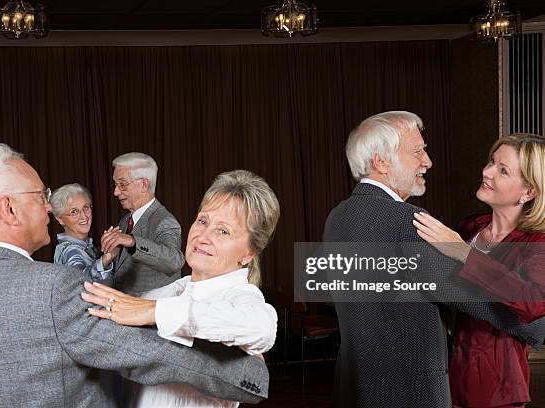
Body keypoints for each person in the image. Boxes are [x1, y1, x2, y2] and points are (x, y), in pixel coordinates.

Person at [0, 143, 268, 407]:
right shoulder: (53, 287)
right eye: (41, 196)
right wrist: (250, 374)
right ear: (8, 208)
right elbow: (145, 355)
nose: (50, 207)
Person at [323, 112, 545, 408]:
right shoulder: (409, 222)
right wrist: (535, 330)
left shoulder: (336, 217)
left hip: (356, 385)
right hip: (409, 389)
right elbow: (471, 297)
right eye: (417, 151)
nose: (427, 161)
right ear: (382, 162)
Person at [82, 169, 279, 407]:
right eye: (202, 221)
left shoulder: (241, 297)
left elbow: (262, 327)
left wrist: (152, 312)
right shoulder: (169, 292)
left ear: (248, 253)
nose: (203, 237)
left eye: (223, 231)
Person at [413, 133, 545, 408]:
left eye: (503, 170)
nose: (487, 172)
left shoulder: (537, 242)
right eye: (491, 162)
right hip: (443, 375)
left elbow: (531, 301)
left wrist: (463, 252)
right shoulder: (470, 226)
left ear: (529, 192)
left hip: (494, 390)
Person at [101, 152, 184, 295]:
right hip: (125, 310)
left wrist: (133, 241)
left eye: (122, 184)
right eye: (115, 184)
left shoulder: (165, 221)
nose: (115, 192)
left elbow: (174, 261)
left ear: (144, 185)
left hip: (149, 315)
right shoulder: (126, 220)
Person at [50, 183, 117, 285]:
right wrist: (106, 259)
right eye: (74, 212)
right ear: (60, 219)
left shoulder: (85, 246)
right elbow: (80, 282)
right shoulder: (70, 250)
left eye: (86, 208)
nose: (84, 217)